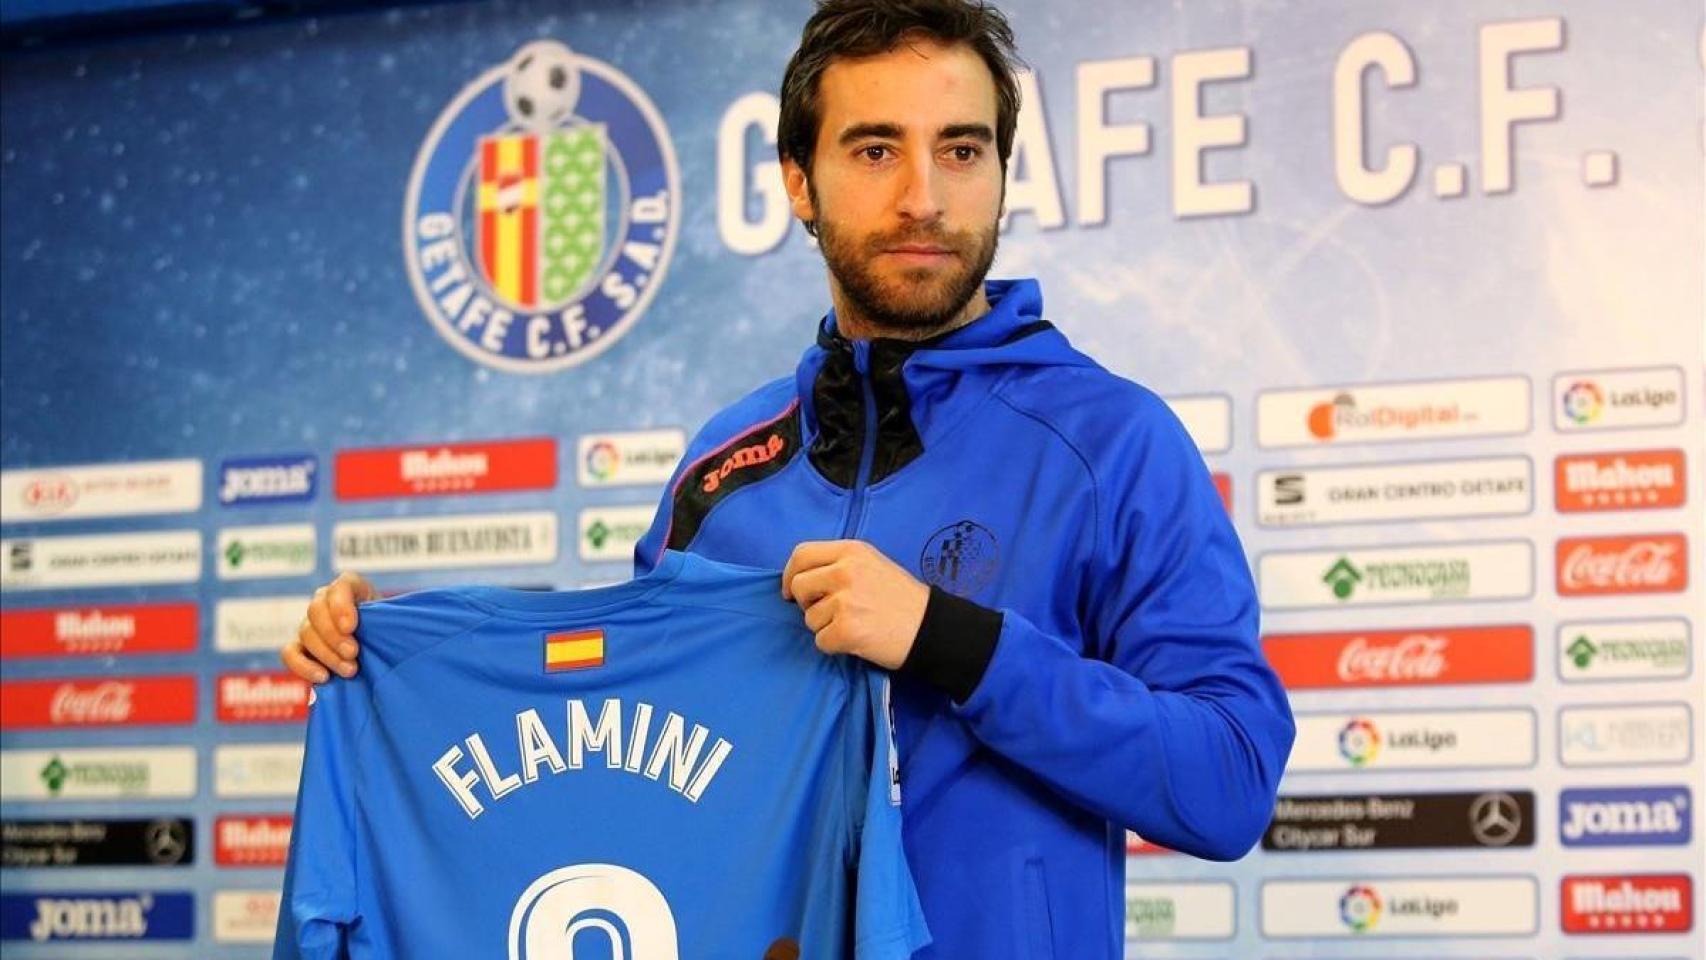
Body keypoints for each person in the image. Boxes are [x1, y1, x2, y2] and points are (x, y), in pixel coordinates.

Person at [284, 1, 1295, 955]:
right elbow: (608, 756)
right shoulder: (721, 472)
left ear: (1000, 171)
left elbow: (1229, 781)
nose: (923, 197)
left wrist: (951, 643)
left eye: (961, 148)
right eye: (874, 149)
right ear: (798, 182)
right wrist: (404, 658)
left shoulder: (1113, 443)